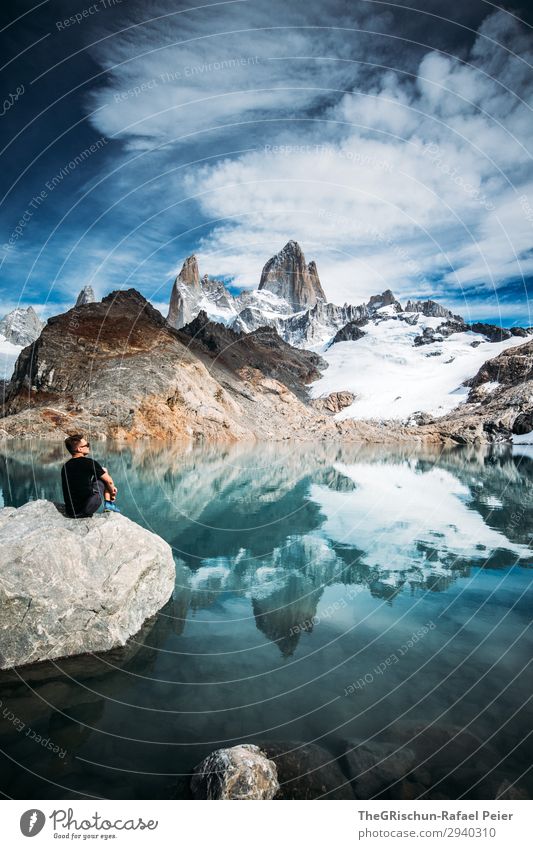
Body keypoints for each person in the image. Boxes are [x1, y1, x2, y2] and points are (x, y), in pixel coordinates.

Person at [61, 434, 120, 518]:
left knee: (101, 472)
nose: (89, 447)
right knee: (104, 474)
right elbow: (109, 481)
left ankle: (109, 505)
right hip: (86, 510)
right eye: (87, 445)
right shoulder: (89, 462)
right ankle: (109, 504)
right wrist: (113, 494)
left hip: (70, 512)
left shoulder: (65, 466)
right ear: (79, 449)